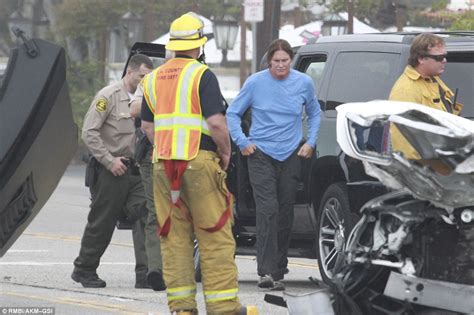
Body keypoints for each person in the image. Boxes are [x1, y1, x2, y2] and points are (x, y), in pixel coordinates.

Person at [141, 12, 257, 315]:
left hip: (163, 168)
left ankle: (181, 309)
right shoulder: (201, 75)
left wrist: (167, 147)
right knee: (214, 234)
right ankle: (224, 309)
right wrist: (226, 153)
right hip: (199, 162)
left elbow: (146, 127)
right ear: (199, 46)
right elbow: (217, 123)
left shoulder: (152, 78)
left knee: (174, 239)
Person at [226, 39, 321, 290]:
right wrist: (242, 142)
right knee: (267, 209)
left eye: (285, 61)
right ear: (269, 61)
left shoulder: (303, 82)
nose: (281, 65)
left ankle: (279, 269)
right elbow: (232, 113)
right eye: (276, 61)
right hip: (260, 153)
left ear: (291, 61)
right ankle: (265, 272)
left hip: (290, 153)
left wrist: (310, 141)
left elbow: (315, 112)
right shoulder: (255, 83)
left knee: (286, 210)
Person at [72, 54, 153, 289]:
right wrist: (108, 161)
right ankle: (84, 269)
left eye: (149, 78)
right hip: (110, 169)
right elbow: (89, 132)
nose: (145, 81)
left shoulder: (146, 99)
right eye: (142, 76)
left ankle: (145, 272)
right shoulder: (108, 96)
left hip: (135, 168)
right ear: (130, 72)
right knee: (102, 220)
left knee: (146, 213)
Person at [389, 33, 463, 160]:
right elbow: (406, 144)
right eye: (439, 57)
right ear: (421, 58)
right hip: (426, 170)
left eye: (445, 56)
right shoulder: (406, 90)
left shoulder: (432, 79)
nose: (444, 60)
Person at [129, 82, 166, 291]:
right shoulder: (153, 81)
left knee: (160, 214)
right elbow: (134, 109)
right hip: (158, 156)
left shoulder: (152, 81)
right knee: (157, 213)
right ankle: (156, 269)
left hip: (173, 156)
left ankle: (159, 268)